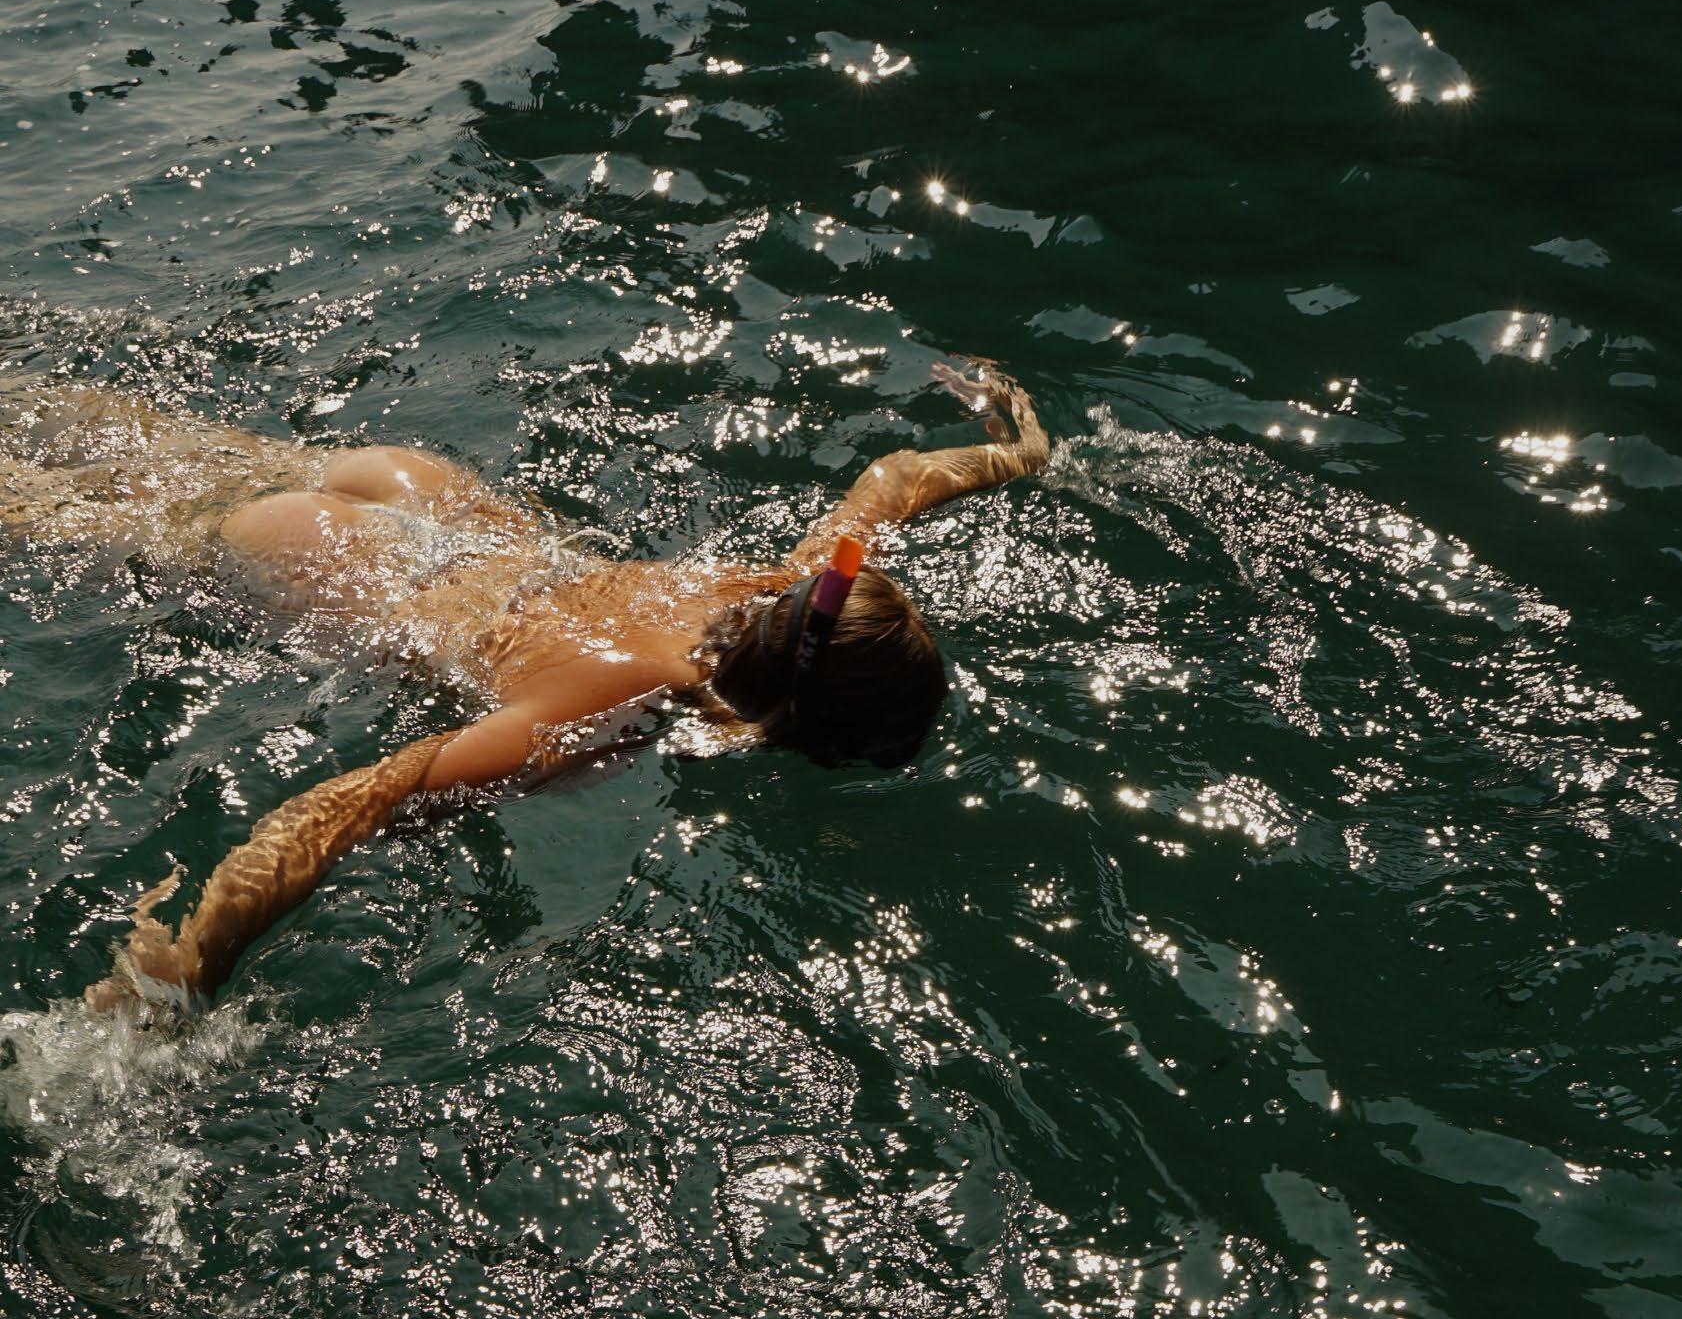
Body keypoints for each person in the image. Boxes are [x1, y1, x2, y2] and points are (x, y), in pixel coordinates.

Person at [0, 360, 1049, 1015]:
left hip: (418, 493)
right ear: (790, 720)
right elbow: (350, 802)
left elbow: (890, 482)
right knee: (42, 509)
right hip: (332, 563)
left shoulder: (795, 586)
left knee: (108, 446)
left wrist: (1021, 452)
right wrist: (181, 973)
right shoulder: (609, 712)